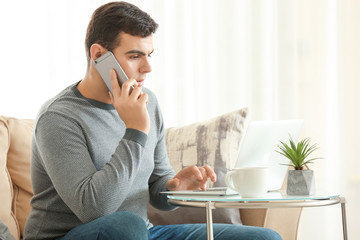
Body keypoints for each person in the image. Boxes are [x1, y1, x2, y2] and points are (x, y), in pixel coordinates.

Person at [24, 2, 282, 240]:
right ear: (98, 54)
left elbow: (157, 187)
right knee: (126, 225)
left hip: (140, 233)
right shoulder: (58, 118)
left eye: (149, 55)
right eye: (135, 56)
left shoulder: (149, 102)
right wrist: (135, 131)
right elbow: (94, 209)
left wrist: (175, 187)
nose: (147, 68)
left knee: (264, 238)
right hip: (70, 235)